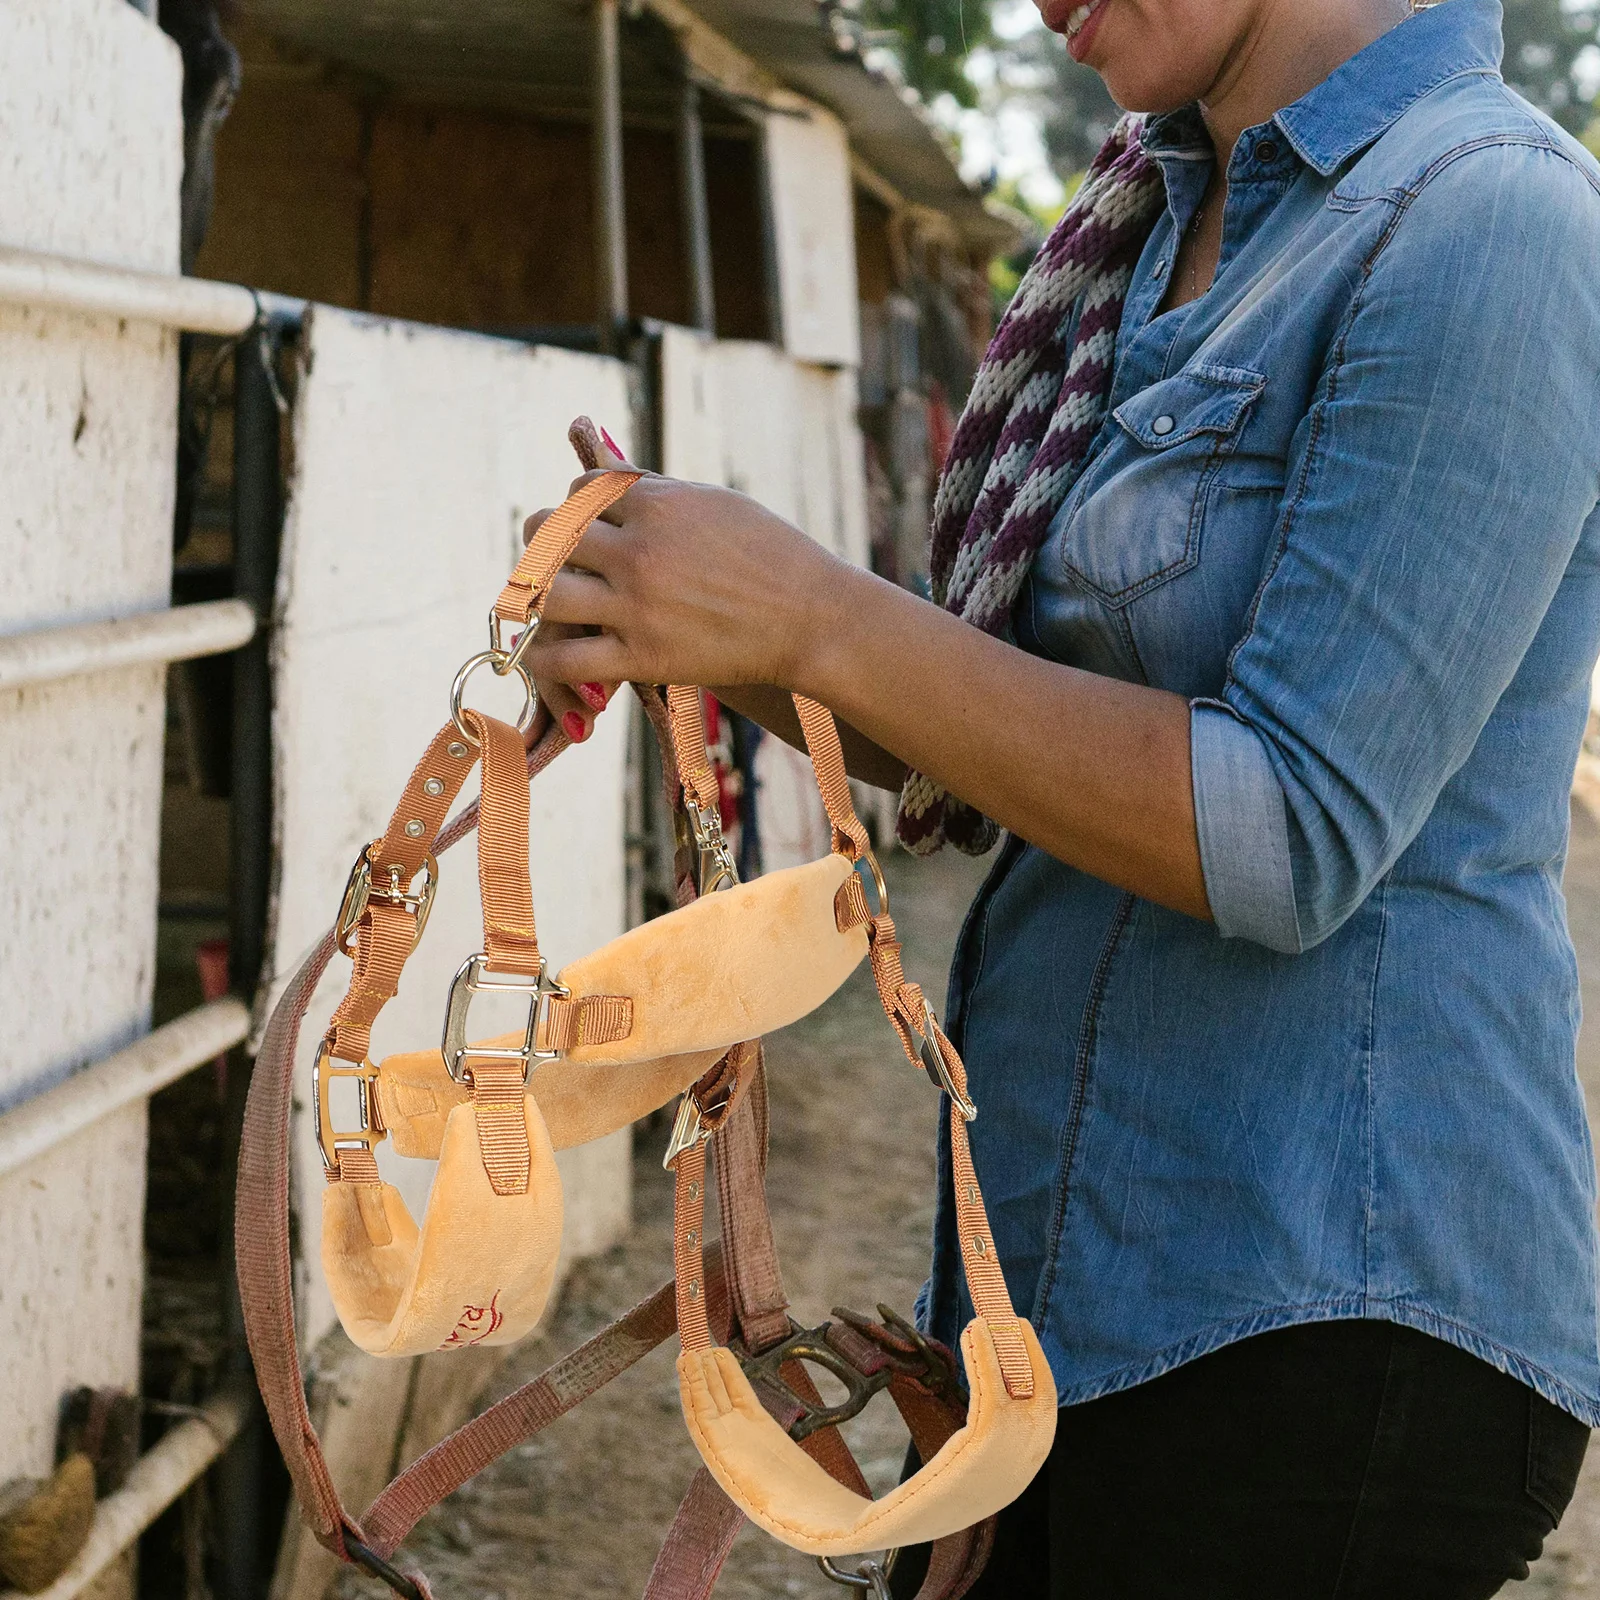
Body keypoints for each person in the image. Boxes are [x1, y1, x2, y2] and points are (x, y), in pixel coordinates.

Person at [520, 0, 1600, 1591]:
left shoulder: (1492, 222)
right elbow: (991, 722)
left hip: (1322, 1322)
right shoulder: (1155, 224)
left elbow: (1288, 829)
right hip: (1061, 1287)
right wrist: (682, 602)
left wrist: (821, 614)